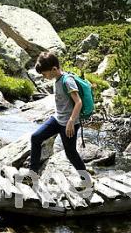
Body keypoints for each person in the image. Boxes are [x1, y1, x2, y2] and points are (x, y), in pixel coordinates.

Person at [30, 52, 88, 180]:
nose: (44, 77)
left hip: (69, 123)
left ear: (54, 69)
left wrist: (72, 121)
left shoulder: (67, 81)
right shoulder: (56, 79)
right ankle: (32, 175)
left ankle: (87, 180)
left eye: (45, 74)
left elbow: (78, 102)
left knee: (71, 153)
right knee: (36, 137)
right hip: (58, 119)